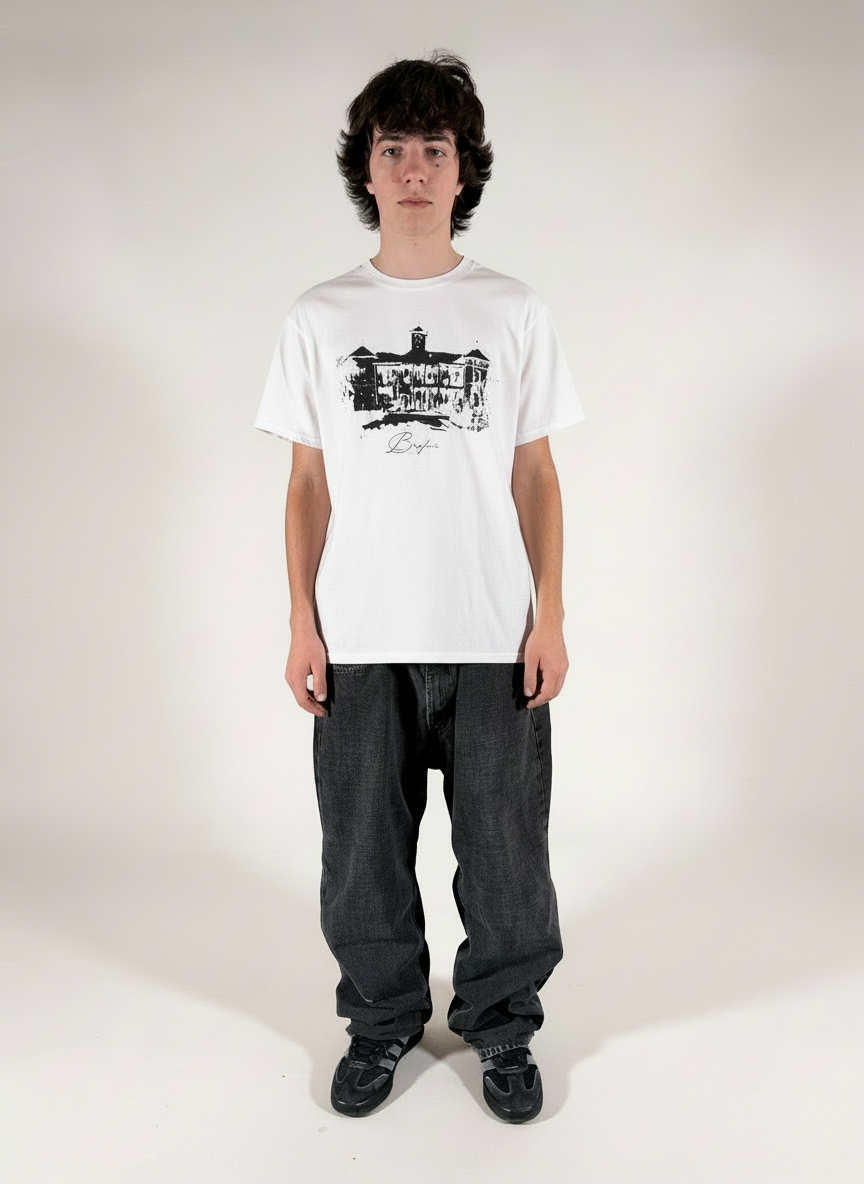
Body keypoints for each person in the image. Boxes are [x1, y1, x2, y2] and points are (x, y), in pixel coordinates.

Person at [255, 51, 585, 1123]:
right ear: (365, 166)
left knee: (506, 851)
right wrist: (302, 621)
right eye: (391, 147)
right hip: (359, 627)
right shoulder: (319, 316)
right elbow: (307, 483)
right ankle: (382, 1018)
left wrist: (551, 615)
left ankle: (503, 1022)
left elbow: (536, 474)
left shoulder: (512, 309)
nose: (411, 169)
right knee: (361, 853)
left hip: (491, 627)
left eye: (433, 149)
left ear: (462, 169)